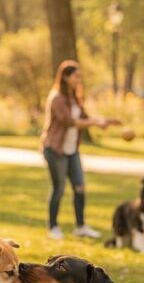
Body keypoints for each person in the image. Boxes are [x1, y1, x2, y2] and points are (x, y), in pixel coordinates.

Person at [40, 60, 120, 240]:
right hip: (55, 149)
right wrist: (96, 123)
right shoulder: (56, 98)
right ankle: (53, 227)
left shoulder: (74, 97)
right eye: (76, 76)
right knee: (59, 188)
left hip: (71, 150)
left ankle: (81, 226)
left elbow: (85, 118)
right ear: (66, 77)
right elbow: (69, 121)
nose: (79, 79)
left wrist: (105, 121)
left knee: (80, 187)